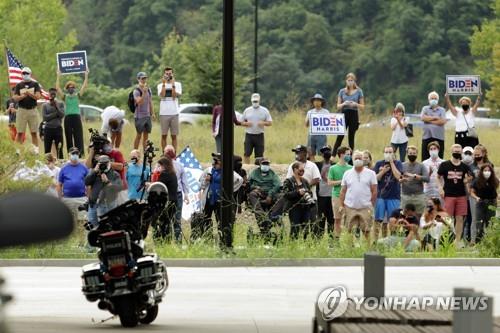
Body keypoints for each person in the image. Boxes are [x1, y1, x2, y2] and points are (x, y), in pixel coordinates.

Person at [198, 153, 243, 247]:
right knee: (206, 220)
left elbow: (240, 180)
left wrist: (230, 190)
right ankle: (207, 240)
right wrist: (206, 181)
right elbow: (200, 184)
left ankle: (221, 241)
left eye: (216, 161)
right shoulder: (209, 170)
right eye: (214, 160)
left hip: (220, 201)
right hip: (209, 200)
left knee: (220, 221)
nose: (214, 163)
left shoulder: (227, 171)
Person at [437, 144, 472, 247]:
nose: (457, 152)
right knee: (448, 218)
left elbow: (468, 178)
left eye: (458, 151)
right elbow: (437, 177)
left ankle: (457, 240)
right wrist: (440, 188)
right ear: (451, 151)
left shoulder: (464, 166)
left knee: (460, 218)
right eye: (455, 150)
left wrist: (467, 180)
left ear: (461, 152)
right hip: (449, 195)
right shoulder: (444, 165)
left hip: (461, 195)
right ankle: (446, 238)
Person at [339, 150, 377, 240]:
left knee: (366, 231)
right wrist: (341, 205)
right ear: (352, 160)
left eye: (360, 158)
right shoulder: (347, 173)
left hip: (365, 207)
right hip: (350, 207)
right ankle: (350, 250)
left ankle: (367, 250)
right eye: (356, 158)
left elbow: (374, 190)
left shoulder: (371, 173)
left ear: (363, 160)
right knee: (349, 231)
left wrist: (371, 204)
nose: (358, 160)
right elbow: (343, 191)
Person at [248, 157, 282, 240]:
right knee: (252, 194)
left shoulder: (272, 174)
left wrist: (270, 195)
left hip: (271, 192)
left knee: (282, 196)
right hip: (259, 192)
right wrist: (254, 187)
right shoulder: (254, 173)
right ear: (260, 164)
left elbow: (277, 185)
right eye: (264, 164)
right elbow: (249, 184)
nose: (265, 165)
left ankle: (274, 216)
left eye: (267, 164)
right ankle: (261, 215)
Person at [84, 155, 123, 227]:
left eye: (105, 163)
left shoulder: (114, 174)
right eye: (101, 163)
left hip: (109, 204)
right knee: (93, 225)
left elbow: (119, 187)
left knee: (108, 226)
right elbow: (86, 182)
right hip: (94, 203)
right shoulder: (94, 173)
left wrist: (108, 182)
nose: (103, 165)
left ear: (109, 163)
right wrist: (94, 171)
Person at [56, 69, 88, 156]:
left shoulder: (78, 95)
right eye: (69, 87)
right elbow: (57, 88)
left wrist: (86, 75)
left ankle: (80, 154)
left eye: (72, 87)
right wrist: (58, 76)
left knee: (78, 136)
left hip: (76, 117)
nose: (71, 89)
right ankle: (71, 154)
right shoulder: (65, 97)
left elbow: (84, 86)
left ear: (74, 88)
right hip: (68, 118)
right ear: (67, 88)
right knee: (68, 136)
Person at [373, 146, 403, 238]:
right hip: (380, 197)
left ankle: (393, 239)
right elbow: (374, 179)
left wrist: (391, 163)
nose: (388, 154)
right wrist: (383, 172)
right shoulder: (379, 163)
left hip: (394, 196)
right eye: (386, 152)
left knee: (394, 220)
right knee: (379, 220)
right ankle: (376, 240)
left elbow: (398, 177)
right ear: (383, 153)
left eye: (390, 152)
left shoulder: (398, 163)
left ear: (394, 153)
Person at [333, 73, 365, 155]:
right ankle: (333, 155)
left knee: (351, 136)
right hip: (344, 114)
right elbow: (338, 106)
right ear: (346, 81)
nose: (350, 82)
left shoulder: (359, 91)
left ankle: (350, 157)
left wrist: (355, 104)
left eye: (352, 80)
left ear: (354, 81)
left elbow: (362, 107)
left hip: (354, 113)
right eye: (348, 80)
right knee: (340, 136)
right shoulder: (342, 91)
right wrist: (344, 104)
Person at [164, 145, 190, 242]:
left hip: (176, 194)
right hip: (167, 194)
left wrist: (186, 194)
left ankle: (176, 241)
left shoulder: (178, 165)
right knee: (169, 219)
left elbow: (184, 181)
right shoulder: (162, 165)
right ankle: (169, 240)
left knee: (175, 219)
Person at [12, 67, 42, 151]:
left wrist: (29, 93)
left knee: (34, 132)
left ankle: (35, 151)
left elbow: (38, 97)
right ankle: (17, 151)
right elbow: (15, 97)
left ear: (30, 74)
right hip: (22, 110)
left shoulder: (35, 84)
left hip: (32, 110)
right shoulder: (19, 85)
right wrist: (22, 96)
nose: (25, 75)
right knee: (20, 132)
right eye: (23, 73)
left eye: (27, 73)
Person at [283, 162, 315, 238]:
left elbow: (310, 192)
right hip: (294, 207)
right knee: (295, 228)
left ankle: (303, 244)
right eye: (300, 170)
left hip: (305, 207)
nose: (302, 172)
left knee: (306, 229)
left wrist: (307, 195)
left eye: (303, 170)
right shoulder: (288, 181)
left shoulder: (305, 181)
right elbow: (286, 194)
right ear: (295, 169)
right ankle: (293, 245)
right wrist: (298, 192)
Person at [57, 147, 88, 222]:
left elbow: (89, 184)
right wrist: (60, 198)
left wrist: (88, 197)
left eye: (76, 153)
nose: (75, 155)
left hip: (82, 198)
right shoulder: (64, 168)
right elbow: (59, 185)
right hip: (67, 199)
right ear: (69, 155)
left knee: (83, 220)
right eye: (73, 153)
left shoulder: (84, 168)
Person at [241, 93, 272, 164]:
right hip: (249, 135)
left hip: (259, 135)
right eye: (254, 101)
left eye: (256, 101)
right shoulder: (247, 110)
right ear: (251, 101)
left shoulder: (264, 110)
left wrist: (263, 123)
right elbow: (241, 122)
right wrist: (246, 124)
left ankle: (257, 169)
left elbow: (270, 122)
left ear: (259, 101)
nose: (255, 103)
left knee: (259, 155)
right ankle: (247, 167)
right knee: (247, 153)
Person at [470, 164, 498, 244]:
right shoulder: (477, 181)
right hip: (480, 203)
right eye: (485, 170)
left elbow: (495, 192)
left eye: (489, 171)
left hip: (491, 203)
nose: (487, 172)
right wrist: (476, 197)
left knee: (490, 223)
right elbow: (471, 192)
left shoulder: (494, 180)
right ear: (482, 171)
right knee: (479, 223)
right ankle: (478, 241)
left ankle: (490, 242)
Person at [328, 146, 352, 237]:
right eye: (347, 154)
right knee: (337, 219)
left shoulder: (351, 168)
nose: (349, 156)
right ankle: (337, 238)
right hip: (337, 196)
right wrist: (342, 181)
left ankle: (349, 239)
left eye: (350, 154)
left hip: (349, 197)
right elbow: (329, 183)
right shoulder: (333, 168)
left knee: (350, 219)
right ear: (341, 155)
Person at [158, 67, 182, 152]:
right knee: (164, 135)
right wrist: (164, 84)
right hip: (164, 113)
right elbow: (163, 95)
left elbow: (174, 96)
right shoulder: (160, 85)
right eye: (167, 74)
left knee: (174, 136)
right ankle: (164, 153)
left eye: (170, 74)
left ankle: (174, 154)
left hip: (174, 113)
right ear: (164, 74)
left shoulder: (178, 84)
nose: (168, 75)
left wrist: (173, 85)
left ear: (173, 74)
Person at [400, 146, 429, 217]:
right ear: (407, 154)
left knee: (419, 216)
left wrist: (415, 176)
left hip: (418, 196)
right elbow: (398, 178)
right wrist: (402, 180)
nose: (412, 155)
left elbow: (427, 178)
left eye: (414, 153)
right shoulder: (402, 165)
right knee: (404, 216)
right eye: (410, 153)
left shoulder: (421, 165)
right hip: (405, 196)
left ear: (417, 154)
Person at [155, 157, 179, 240]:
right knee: (168, 223)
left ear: (164, 166)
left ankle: (164, 240)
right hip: (174, 202)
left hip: (167, 202)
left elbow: (158, 186)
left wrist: (149, 185)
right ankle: (167, 240)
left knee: (163, 223)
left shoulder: (165, 174)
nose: (158, 168)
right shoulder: (173, 173)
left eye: (159, 166)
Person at [314, 146, 335, 237]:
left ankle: (331, 241)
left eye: (328, 151)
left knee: (331, 219)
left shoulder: (335, 165)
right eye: (324, 151)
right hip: (321, 196)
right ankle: (318, 239)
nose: (326, 153)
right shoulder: (317, 165)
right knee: (320, 219)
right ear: (321, 154)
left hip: (332, 196)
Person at [420, 91, 447, 160]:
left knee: (439, 157)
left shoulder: (442, 110)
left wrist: (428, 121)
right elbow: (422, 118)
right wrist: (435, 118)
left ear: (437, 100)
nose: (433, 100)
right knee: (425, 157)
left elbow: (442, 121)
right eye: (432, 98)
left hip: (439, 137)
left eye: (435, 98)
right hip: (427, 136)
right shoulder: (425, 108)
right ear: (429, 100)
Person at [305, 93, 330, 161]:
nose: (316, 102)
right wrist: (308, 119)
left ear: (321, 102)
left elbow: (329, 123)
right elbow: (306, 125)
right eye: (315, 101)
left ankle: (324, 165)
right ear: (313, 102)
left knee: (323, 152)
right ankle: (314, 165)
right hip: (312, 134)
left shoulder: (326, 112)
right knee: (311, 152)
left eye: (318, 101)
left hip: (321, 134)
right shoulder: (310, 112)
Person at [133, 72, 154, 150]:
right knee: (139, 135)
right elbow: (139, 102)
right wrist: (144, 93)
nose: (144, 80)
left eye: (145, 78)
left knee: (146, 136)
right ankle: (134, 153)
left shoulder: (149, 89)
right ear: (138, 79)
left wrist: (152, 113)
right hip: (139, 116)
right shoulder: (136, 90)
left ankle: (145, 154)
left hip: (147, 115)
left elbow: (150, 101)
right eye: (142, 78)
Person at [42, 88, 65, 159]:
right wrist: (55, 114)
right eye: (51, 94)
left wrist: (57, 107)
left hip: (57, 128)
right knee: (47, 150)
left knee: (60, 149)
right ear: (49, 94)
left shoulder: (60, 104)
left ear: (56, 94)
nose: (53, 95)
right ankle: (47, 163)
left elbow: (62, 115)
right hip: (48, 129)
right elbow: (45, 118)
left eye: (54, 94)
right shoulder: (45, 105)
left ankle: (60, 162)